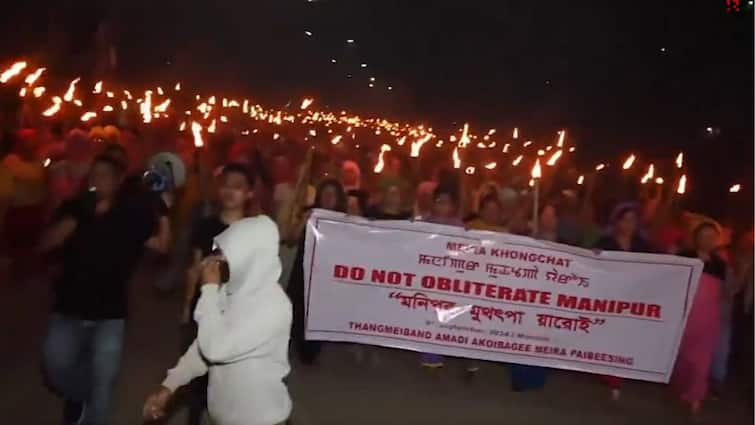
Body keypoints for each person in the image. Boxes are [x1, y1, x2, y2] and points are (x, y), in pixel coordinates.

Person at [39, 154, 160, 425]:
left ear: (118, 182)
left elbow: (161, 245)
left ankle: (92, 406)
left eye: (105, 175)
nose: (97, 180)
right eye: (93, 175)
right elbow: (45, 244)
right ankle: (81, 394)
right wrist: (73, 221)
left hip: (110, 313)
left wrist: (162, 208)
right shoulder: (74, 207)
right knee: (55, 368)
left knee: (104, 382)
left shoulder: (130, 213)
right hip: (68, 308)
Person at [144, 216, 292, 425]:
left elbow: (216, 347)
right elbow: (203, 348)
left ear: (250, 257)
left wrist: (209, 290)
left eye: (226, 255)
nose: (216, 261)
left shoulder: (274, 306)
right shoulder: (231, 290)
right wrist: (170, 385)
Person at [179, 163, 255, 425]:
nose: (230, 192)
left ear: (248, 194)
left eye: (238, 186)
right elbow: (194, 268)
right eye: (226, 185)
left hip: (236, 317)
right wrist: (186, 309)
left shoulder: (255, 232)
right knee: (198, 380)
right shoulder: (205, 226)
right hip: (204, 311)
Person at [592, 202, 654, 400]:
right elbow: (592, 264)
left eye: (633, 220)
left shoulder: (643, 246)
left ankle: (618, 379)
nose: (628, 224)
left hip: (633, 300)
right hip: (610, 298)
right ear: (617, 222)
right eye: (625, 220)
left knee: (624, 339)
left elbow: (659, 268)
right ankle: (606, 375)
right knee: (608, 337)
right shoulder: (605, 242)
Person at [287, 179, 347, 364]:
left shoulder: (344, 220)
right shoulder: (309, 214)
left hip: (326, 276)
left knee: (318, 313)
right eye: (325, 193)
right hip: (303, 272)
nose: (328, 198)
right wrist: (304, 220)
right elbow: (291, 239)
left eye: (333, 194)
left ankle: (311, 351)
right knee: (297, 310)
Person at [671, 222, 726, 416]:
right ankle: (679, 390)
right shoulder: (684, 256)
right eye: (704, 236)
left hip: (708, 319)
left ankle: (696, 399)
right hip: (685, 316)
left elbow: (725, 292)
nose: (708, 240)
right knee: (683, 358)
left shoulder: (720, 264)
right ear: (696, 237)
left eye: (712, 236)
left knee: (701, 361)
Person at [419, 185, 463, 368]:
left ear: (452, 206)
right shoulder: (423, 224)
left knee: (443, 316)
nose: (443, 206)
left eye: (447, 203)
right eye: (439, 202)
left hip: (449, 280)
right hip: (427, 278)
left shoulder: (459, 227)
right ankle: (429, 356)